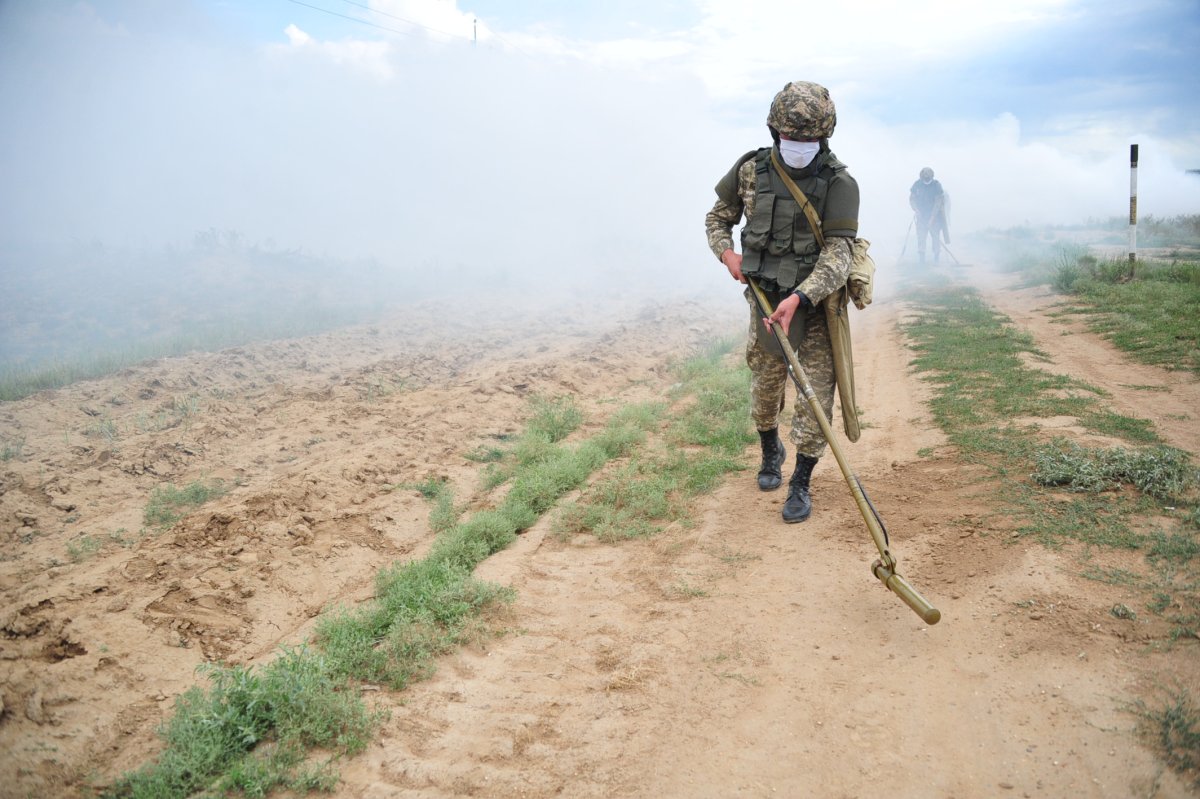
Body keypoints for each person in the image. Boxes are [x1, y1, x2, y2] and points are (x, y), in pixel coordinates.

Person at [704, 80, 860, 524]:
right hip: (764, 298)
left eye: (808, 140)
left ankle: (801, 480)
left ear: (824, 137)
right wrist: (726, 252)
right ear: (775, 132)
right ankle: (769, 447)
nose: (798, 147)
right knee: (766, 385)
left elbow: (839, 252)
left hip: (815, 307)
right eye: (791, 139)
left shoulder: (839, 183)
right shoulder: (751, 170)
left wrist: (802, 295)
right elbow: (718, 217)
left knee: (815, 397)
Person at [909, 167, 948, 264]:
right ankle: (922, 259)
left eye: (928, 178)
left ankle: (936, 258)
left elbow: (938, 203)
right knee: (921, 237)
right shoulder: (917, 185)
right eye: (925, 178)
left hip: (935, 217)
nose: (926, 180)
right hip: (921, 216)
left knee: (935, 237)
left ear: (932, 176)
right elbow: (912, 199)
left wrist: (932, 218)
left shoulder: (936, 186)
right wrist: (916, 210)